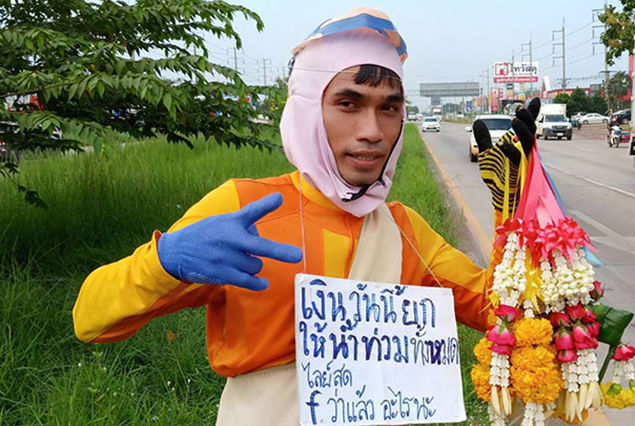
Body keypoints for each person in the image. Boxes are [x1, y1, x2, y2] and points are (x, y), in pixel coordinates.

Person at [73, 8, 518, 424]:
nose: (372, 131)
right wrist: (162, 263)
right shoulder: (242, 209)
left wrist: (515, 211)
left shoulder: (402, 230)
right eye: (348, 103)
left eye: (389, 107)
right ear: (306, 110)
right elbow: (90, 321)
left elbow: (501, 309)